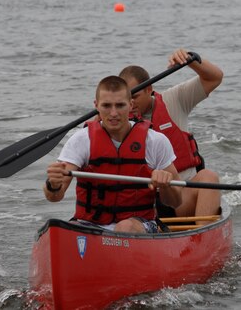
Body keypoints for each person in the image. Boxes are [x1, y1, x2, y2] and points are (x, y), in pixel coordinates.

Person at [44, 75, 181, 234]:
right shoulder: (81, 140)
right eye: (107, 105)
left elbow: (176, 201)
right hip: (89, 224)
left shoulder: (156, 141)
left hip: (138, 224)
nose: (114, 113)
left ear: (130, 105)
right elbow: (54, 197)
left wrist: (165, 186)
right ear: (97, 106)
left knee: (125, 227)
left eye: (120, 105)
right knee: (56, 227)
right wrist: (52, 185)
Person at [119, 49, 223, 224]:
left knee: (209, 177)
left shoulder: (175, 99)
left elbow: (214, 78)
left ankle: (199, 239)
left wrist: (191, 60)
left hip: (181, 197)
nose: (130, 103)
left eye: (135, 96)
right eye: (125, 98)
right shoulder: (115, 115)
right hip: (142, 204)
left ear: (149, 89)